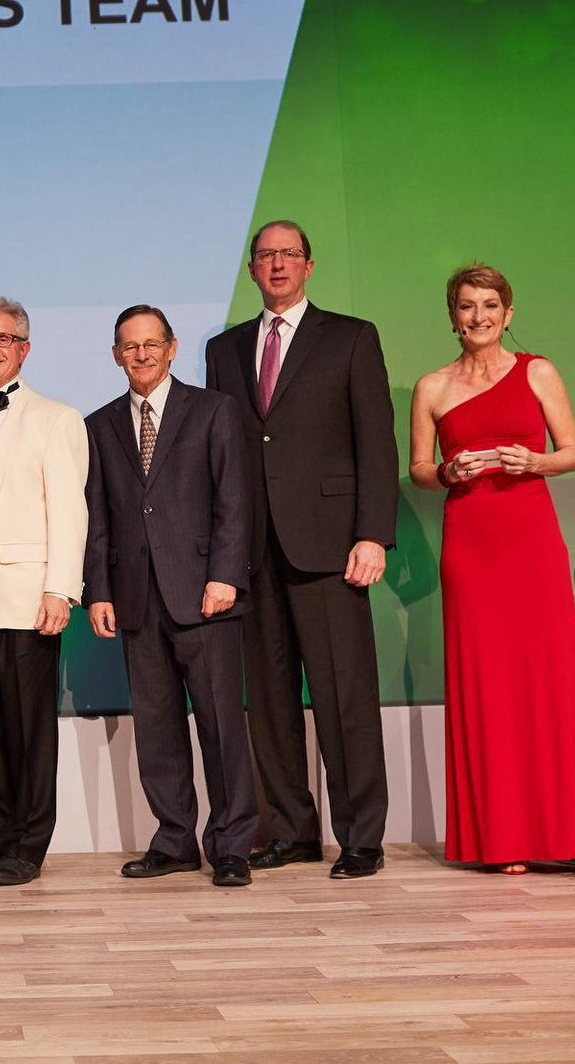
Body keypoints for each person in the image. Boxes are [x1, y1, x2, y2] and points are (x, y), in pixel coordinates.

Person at [204, 221, 397, 879]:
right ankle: (292, 830)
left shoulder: (350, 337)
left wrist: (372, 533)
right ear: (252, 270)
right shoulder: (225, 349)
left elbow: (376, 443)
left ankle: (362, 837)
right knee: (270, 704)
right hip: (253, 554)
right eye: (266, 255)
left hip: (331, 548)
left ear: (308, 266)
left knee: (345, 699)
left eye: (289, 254)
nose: (278, 263)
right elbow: (225, 454)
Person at [408, 263, 575, 878]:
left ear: (508, 313)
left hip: (530, 536)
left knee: (553, 680)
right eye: (467, 306)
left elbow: (573, 451)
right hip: (470, 543)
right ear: (453, 316)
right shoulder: (432, 387)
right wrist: (448, 472)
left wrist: (535, 462)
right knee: (488, 684)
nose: (479, 316)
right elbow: (419, 468)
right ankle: (504, 839)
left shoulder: (537, 371)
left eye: (490, 305)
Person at [84, 305, 258, 888]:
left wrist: (225, 575)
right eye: (130, 347)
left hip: (206, 594)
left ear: (172, 348)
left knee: (220, 725)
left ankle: (231, 845)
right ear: (116, 355)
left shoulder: (213, 410)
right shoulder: (100, 424)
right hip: (137, 598)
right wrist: (99, 591)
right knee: (157, 728)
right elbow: (99, 518)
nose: (142, 355)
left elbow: (235, 499)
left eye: (151, 344)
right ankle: (175, 840)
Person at [0, 296, 88, 887]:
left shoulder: (58, 418)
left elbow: (70, 512)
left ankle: (28, 845)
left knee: (29, 729)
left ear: (24, 349)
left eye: (3, 338)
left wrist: (61, 589)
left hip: (29, 596)